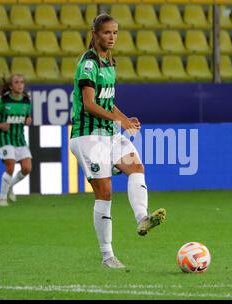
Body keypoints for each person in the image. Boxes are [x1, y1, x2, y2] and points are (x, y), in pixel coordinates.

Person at [70, 13, 166, 269]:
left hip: (109, 134)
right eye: (106, 33)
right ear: (94, 34)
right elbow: (89, 104)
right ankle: (107, 256)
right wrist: (120, 122)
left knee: (136, 167)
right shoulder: (89, 64)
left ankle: (142, 218)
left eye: (115, 33)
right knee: (105, 193)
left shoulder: (110, 62)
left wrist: (124, 118)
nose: (111, 37)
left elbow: (108, 102)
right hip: (87, 136)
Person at [0, 74, 32, 207]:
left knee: (27, 168)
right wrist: (0, 125)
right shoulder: (4, 100)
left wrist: (28, 120)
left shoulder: (26, 100)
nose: (20, 85)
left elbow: (27, 116)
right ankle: (2, 198)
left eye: (22, 82)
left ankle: (10, 186)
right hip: (5, 138)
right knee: (10, 166)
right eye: (17, 82)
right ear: (11, 86)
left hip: (20, 138)